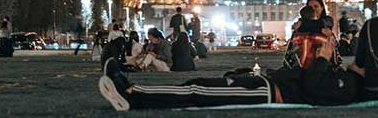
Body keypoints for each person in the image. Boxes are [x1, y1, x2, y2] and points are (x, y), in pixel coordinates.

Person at [98, 32, 362, 111]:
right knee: (197, 85)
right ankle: (134, 93)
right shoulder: (346, 79)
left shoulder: (349, 85)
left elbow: (314, 87)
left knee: (197, 91)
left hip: (268, 92)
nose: (354, 62)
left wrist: (323, 60)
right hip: (266, 84)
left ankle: (132, 93)